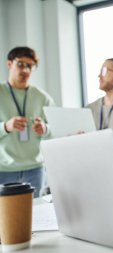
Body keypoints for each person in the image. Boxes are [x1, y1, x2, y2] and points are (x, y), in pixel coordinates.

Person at [0, 46, 55, 198]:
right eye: (21, 64)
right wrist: (6, 126)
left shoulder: (42, 97)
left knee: (35, 217)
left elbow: (55, 132)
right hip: (3, 170)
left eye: (30, 66)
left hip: (35, 169)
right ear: (9, 64)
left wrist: (45, 129)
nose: (25, 70)